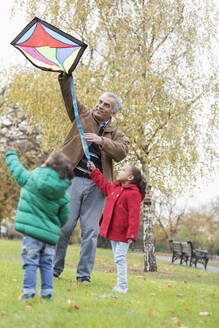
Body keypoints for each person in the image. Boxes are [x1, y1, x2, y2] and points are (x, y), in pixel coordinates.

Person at [53, 73, 129, 282]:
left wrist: (100, 141)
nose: (100, 106)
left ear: (112, 112)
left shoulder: (115, 133)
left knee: (90, 233)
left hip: (97, 188)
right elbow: (70, 97)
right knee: (64, 227)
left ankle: (83, 275)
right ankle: (55, 269)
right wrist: (64, 78)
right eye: (100, 102)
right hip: (73, 181)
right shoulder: (82, 115)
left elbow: (122, 151)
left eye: (106, 105)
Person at [6, 149, 73, 300]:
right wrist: (53, 225)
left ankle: (29, 291)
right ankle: (47, 292)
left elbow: (17, 170)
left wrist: (11, 155)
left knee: (30, 263)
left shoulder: (32, 178)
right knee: (47, 264)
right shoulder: (63, 194)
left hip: (31, 235)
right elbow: (64, 217)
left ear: (48, 163)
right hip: (49, 237)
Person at [87, 161, 146, 293]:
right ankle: (120, 284)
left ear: (130, 178)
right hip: (113, 231)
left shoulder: (133, 194)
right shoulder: (115, 188)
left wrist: (131, 235)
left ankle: (123, 286)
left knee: (119, 258)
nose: (120, 171)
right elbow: (103, 185)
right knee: (117, 258)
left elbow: (134, 216)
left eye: (124, 170)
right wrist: (94, 170)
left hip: (124, 234)